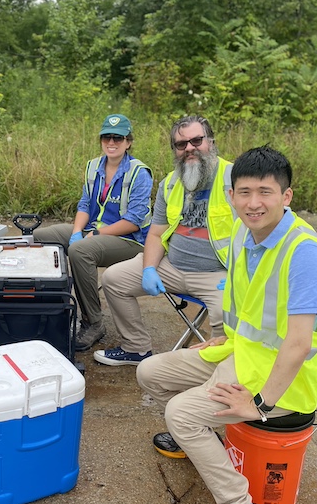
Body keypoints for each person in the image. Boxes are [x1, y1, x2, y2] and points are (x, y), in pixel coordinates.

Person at [136, 146, 317, 504]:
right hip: (244, 355)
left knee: (180, 413)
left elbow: (299, 343)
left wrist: (259, 404)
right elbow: (247, 311)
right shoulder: (244, 235)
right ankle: (203, 440)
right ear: (231, 196)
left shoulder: (302, 250)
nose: (254, 203)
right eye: (244, 192)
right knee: (149, 373)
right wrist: (223, 340)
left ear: (286, 197)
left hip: (287, 379)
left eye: (265, 192)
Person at [94, 115, 235, 365]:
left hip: (218, 275)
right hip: (171, 266)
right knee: (113, 279)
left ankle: (215, 375)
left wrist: (239, 276)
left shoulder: (236, 178)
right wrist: (149, 268)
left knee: (229, 317)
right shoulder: (170, 183)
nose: (189, 148)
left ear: (211, 142)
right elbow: (157, 233)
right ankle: (136, 349)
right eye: (181, 144)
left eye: (196, 140)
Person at [32, 114, 153, 351]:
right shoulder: (93, 166)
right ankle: (45, 309)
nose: (112, 142)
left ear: (128, 142)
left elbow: (134, 221)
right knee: (42, 237)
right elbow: (85, 205)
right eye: (107, 137)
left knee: (79, 251)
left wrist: (96, 235)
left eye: (118, 138)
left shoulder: (139, 173)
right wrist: (77, 230)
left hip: (129, 240)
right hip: (91, 231)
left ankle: (94, 322)